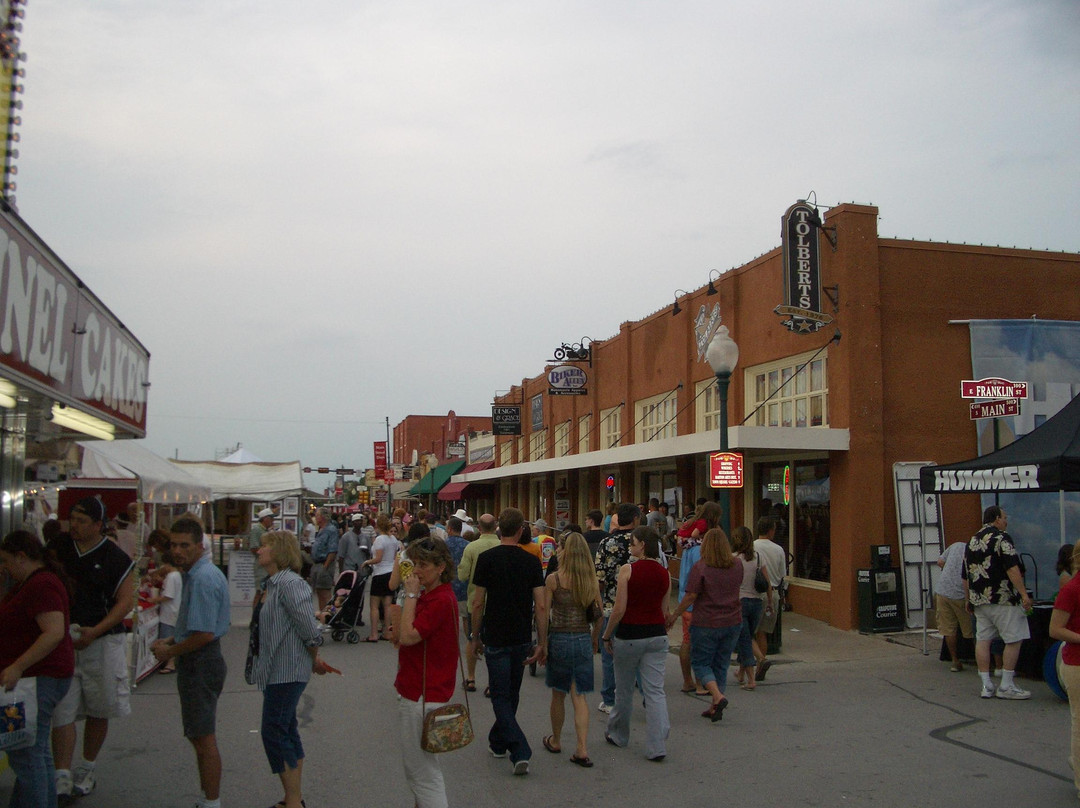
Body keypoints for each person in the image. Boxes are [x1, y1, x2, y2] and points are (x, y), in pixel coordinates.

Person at [49, 496, 135, 801]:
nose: (74, 524)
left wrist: (95, 631)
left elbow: (126, 601)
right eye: (72, 518)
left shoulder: (116, 558)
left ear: (99, 525)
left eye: (82, 520)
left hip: (102, 641)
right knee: (63, 708)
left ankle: (86, 767)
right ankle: (61, 773)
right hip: (63, 640)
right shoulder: (58, 551)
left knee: (100, 705)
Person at [150, 516, 231, 808]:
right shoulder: (196, 575)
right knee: (199, 735)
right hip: (199, 659)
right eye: (174, 545)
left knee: (203, 737)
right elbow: (196, 627)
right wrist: (171, 641)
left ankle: (211, 801)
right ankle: (208, 799)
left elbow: (205, 634)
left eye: (184, 545)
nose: (178, 551)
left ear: (199, 546)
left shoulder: (201, 578)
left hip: (201, 662)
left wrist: (170, 652)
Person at [252, 530, 336, 808]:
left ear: (278, 551)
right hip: (277, 667)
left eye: (264, 546)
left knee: (274, 730)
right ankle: (293, 797)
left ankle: (293, 799)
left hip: (287, 669)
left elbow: (309, 631)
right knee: (285, 729)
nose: (259, 550)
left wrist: (314, 658)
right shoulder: (274, 584)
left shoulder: (290, 584)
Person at [0, 530, 75, 808]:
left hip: (35, 681)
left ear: (22, 557)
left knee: (25, 753)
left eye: (6, 561)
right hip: (41, 678)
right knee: (36, 751)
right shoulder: (35, 583)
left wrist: (18, 666)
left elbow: (53, 632)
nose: (4, 567)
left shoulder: (40, 585)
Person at [470, 507, 547, 775]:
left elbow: (478, 601)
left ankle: (518, 748)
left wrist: (475, 635)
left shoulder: (487, 558)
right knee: (511, 693)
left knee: (501, 695)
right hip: (520, 635)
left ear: (501, 529)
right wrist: (542, 641)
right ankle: (499, 742)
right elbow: (540, 605)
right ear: (520, 530)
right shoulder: (531, 561)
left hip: (495, 633)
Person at [395, 536, 460, 808]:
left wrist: (410, 594)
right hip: (425, 688)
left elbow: (408, 636)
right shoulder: (435, 596)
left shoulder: (439, 599)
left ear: (441, 566)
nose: (417, 571)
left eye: (423, 564)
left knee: (422, 773)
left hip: (422, 692)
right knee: (424, 767)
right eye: (414, 564)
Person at [601, 526, 671, 761]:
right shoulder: (664, 573)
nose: (630, 546)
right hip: (657, 635)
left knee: (624, 689)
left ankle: (619, 734)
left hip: (630, 635)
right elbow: (664, 610)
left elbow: (619, 609)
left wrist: (607, 634)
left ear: (642, 545)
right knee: (654, 691)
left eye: (633, 543)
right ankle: (657, 744)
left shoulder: (627, 570)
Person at [667, 527, 744, 722]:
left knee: (700, 662)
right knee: (721, 663)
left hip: (707, 621)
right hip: (732, 620)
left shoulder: (701, 567)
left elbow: (691, 595)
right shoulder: (737, 565)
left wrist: (675, 613)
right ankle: (715, 703)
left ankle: (717, 696)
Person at [542, 533, 601, 767]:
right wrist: (595, 640)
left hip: (560, 636)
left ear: (565, 551)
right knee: (580, 696)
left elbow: (545, 615)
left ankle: (556, 740)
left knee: (558, 693)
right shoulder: (590, 580)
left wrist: (543, 644)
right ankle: (582, 748)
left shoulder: (554, 580)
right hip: (582, 637)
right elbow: (598, 617)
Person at [963, 505, 1034, 700]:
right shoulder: (1002, 538)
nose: (1006, 521)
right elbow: (1012, 567)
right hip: (1003, 598)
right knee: (1014, 638)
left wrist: (968, 599)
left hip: (980, 599)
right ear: (995, 519)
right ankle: (1006, 684)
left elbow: (966, 574)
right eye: (1004, 517)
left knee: (983, 640)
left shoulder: (972, 541)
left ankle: (986, 684)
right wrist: (1023, 594)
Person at [594, 503, 639, 713]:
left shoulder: (606, 542)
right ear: (636, 519)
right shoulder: (643, 541)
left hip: (611, 605)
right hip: (639, 606)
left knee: (609, 653)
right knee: (637, 654)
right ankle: (642, 694)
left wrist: (599, 601)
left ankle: (610, 699)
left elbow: (599, 578)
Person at [1049, 540, 1080, 801]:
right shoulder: (1071, 589)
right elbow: (1055, 629)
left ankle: (1076, 761)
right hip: (1077, 664)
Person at [457, 513, 500, 693]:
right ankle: (492, 682)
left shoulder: (471, 548)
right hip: (497, 603)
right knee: (493, 643)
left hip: (475, 600)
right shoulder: (502, 546)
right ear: (495, 526)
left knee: (471, 639)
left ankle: (471, 678)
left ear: (479, 528)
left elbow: (462, 575)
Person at [730, 526, 772, 690]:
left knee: (744, 639)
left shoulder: (734, 559)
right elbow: (767, 582)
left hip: (739, 602)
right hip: (757, 603)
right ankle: (741, 673)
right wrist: (770, 602)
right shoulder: (758, 557)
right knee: (747, 635)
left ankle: (753, 676)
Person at [753, 516, 787, 681]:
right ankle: (760, 664)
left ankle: (752, 664)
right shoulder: (779, 549)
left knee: (747, 632)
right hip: (772, 593)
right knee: (763, 633)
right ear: (771, 530)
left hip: (753, 593)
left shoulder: (751, 546)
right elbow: (781, 575)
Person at [936, 539, 973, 673]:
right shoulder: (974, 550)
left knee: (948, 629)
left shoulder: (955, 545)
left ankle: (955, 661)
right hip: (961, 593)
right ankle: (980, 661)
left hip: (943, 590)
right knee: (970, 629)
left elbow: (940, 562)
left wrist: (949, 571)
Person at [363, 514, 400, 642]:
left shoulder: (380, 540)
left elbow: (378, 558)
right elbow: (395, 557)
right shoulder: (394, 540)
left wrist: (368, 562)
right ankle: (386, 631)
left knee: (374, 605)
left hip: (380, 573)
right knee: (388, 604)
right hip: (390, 572)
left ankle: (373, 634)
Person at [150, 562, 183, 674]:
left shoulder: (171, 576)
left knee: (167, 637)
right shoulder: (177, 575)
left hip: (169, 612)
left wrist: (154, 600)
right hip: (174, 610)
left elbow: (168, 595)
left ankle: (170, 662)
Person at [310, 507, 339, 612]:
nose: (315, 517)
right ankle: (322, 615)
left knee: (325, 593)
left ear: (322, 517)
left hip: (324, 564)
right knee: (319, 592)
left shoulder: (331, 530)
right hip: (316, 563)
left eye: (317, 515)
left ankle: (330, 617)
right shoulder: (320, 529)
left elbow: (332, 550)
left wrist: (325, 566)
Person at [249, 507, 275, 607]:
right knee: (260, 591)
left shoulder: (266, 530)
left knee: (265, 591)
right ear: (265, 519)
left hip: (267, 565)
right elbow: (253, 548)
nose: (273, 521)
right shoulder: (257, 530)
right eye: (271, 518)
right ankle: (255, 616)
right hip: (261, 565)